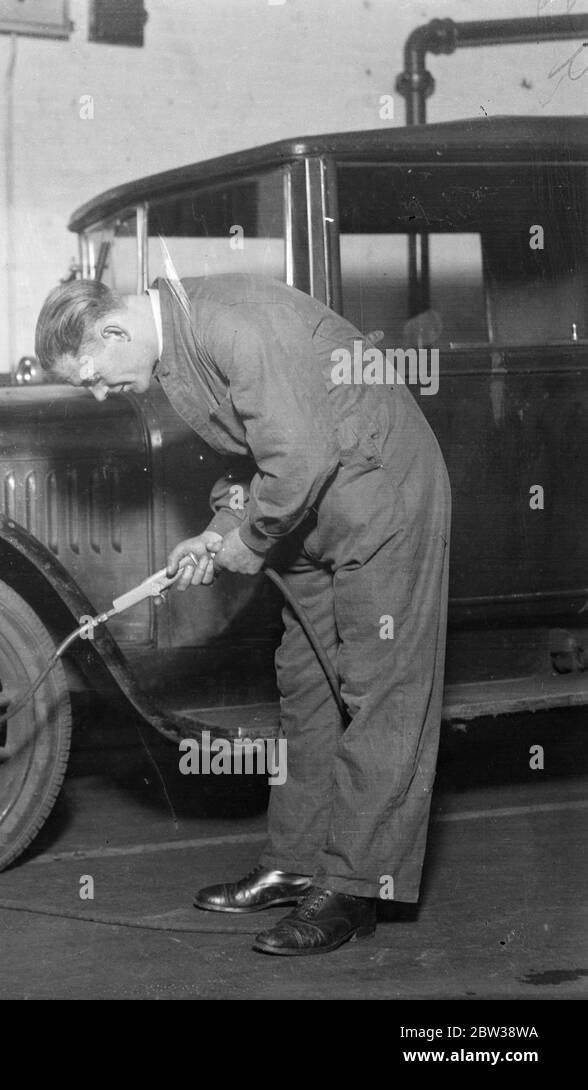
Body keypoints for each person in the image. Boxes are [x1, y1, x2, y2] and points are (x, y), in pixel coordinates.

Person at [34, 272, 451, 956]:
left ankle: (354, 890)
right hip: (312, 508)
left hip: (382, 495)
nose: (104, 394)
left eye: (96, 380)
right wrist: (221, 525)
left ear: (112, 332)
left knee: (383, 691)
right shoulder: (174, 351)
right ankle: (298, 861)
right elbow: (250, 458)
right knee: (306, 682)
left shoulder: (231, 323)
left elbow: (300, 454)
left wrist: (253, 542)